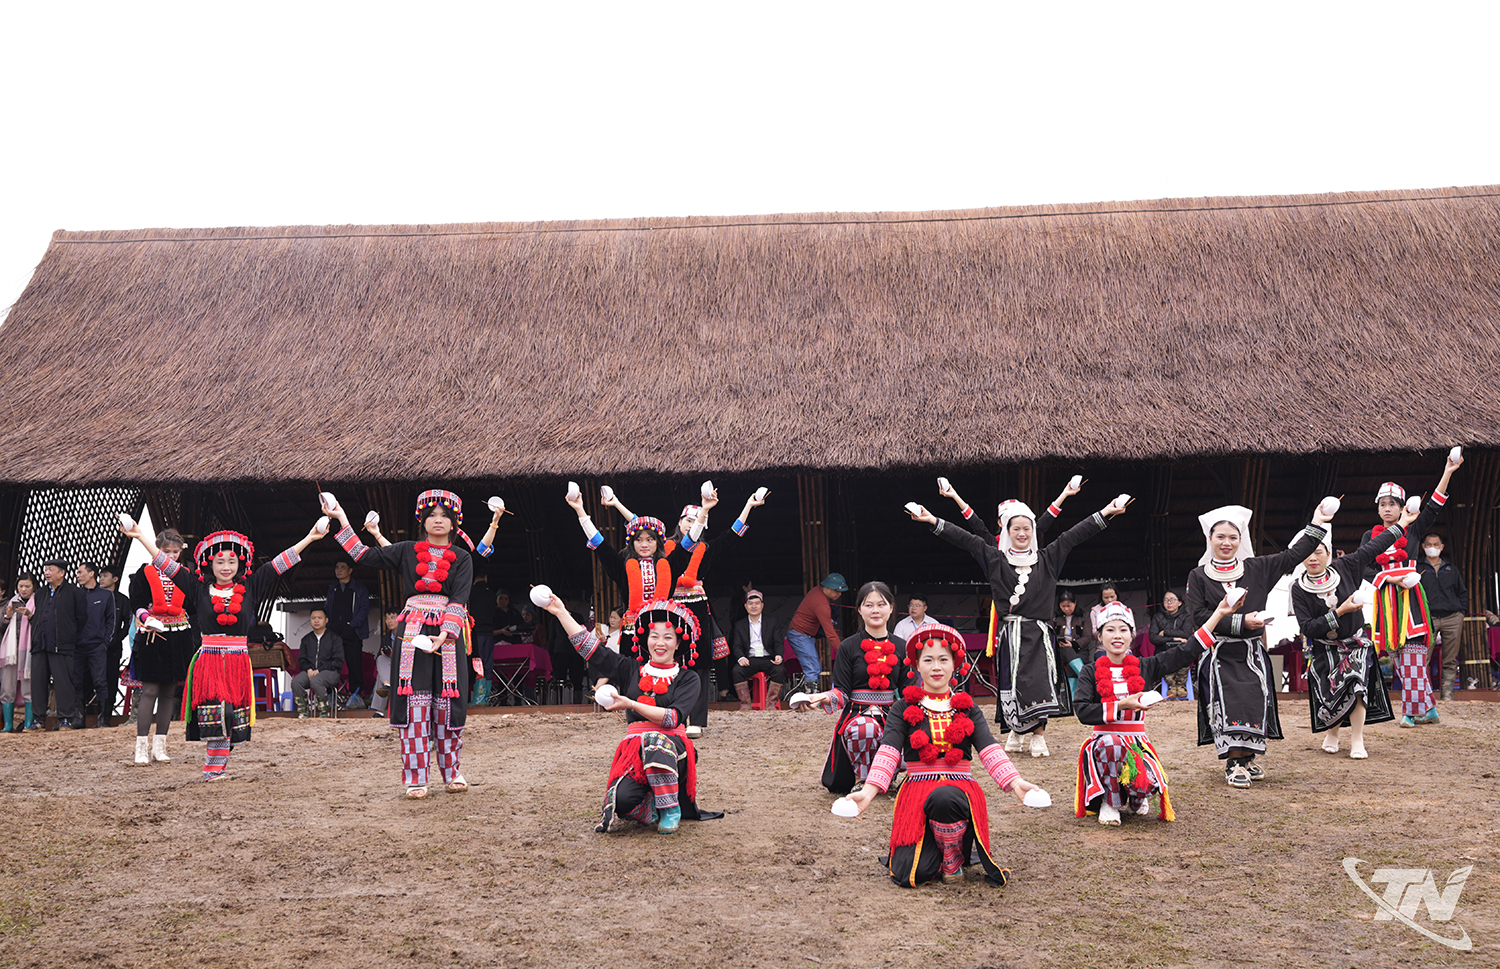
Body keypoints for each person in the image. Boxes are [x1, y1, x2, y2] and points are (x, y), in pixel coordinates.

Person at [910, 494, 1127, 757]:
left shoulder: (1047, 558)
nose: (1022, 533)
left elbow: (1075, 534)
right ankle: (1015, 730)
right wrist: (932, 519)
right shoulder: (995, 559)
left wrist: (1106, 510)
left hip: (1039, 635)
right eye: (1016, 528)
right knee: (1011, 685)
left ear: (1033, 531)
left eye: (1027, 528)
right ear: (1007, 531)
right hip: (1010, 633)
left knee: (1039, 683)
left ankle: (1038, 735)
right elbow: (967, 540)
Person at [121, 517, 322, 777]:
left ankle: (219, 762)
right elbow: (165, 564)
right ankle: (212, 768)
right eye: (220, 562)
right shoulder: (197, 588)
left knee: (235, 719)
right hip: (210, 663)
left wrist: (310, 537)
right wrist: (140, 536)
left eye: (231, 562)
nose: (226, 567)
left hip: (238, 663)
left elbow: (279, 564)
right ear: (210, 564)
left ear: (239, 564)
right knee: (218, 712)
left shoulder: (250, 586)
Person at [845, 624, 1041, 887]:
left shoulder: (969, 708)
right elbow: (889, 750)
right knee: (913, 874)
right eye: (928, 660)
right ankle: (939, 849)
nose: (936, 666)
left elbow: (988, 748)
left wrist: (1016, 783)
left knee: (944, 796)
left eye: (943, 659)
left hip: (957, 792)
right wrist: (869, 791)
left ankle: (952, 857)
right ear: (916, 665)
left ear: (954, 665)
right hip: (916, 792)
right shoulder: (902, 707)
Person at [330, 490, 473, 798]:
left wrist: (445, 635)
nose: (438, 520)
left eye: (444, 516)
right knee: (414, 703)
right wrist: (341, 517)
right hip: (413, 632)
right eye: (432, 516)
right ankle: (416, 778)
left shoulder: (462, 558)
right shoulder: (407, 550)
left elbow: (460, 598)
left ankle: (452, 772)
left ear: (454, 523)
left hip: (448, 634)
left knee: (447, 702)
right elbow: (361, 554)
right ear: (423, 521)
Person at [541, 593, 718, 834]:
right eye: (654, 636)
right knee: (621, 803)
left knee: (656, 741)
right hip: (636, 752)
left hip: (674, 751)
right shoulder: (630, 669)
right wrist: (561, 612)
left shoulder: (688, 678)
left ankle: (671, 808)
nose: (660, 643)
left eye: (668, 637)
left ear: (678, 643)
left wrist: (631, 705)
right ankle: (653, 803)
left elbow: (672, 718)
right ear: (646, 640)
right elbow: (591, 650)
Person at [1186, 501, 1334, 788]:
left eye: (1233, 537)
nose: (1226, 542)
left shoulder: (1258, 568)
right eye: (1220, 537)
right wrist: (1242, 622)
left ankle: (1247, 758)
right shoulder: (1199, 575)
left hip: (1252, 652)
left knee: (1255, 701)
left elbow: (1295, 554)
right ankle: (1233, 762)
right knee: (1232, 701)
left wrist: (1318, 522)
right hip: (1220, 653)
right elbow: (1199, 616)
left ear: (1241, 540)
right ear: (1210, 539)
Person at [607, 486, 768, 721]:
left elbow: (732, 536)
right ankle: (663, 711)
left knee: (700, 663)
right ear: (679, 522)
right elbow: (638, 524)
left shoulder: (706, 548)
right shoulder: (664, 549)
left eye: (696, 520)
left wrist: (748, 507)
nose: (690, 523)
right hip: (668, 607)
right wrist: (617, 503)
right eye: (687, 519)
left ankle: (698, 720)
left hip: (697, 608)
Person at [1072, 599, 1229, 825]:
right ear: (1099, 636)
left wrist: (1219, 613)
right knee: (1111, 744)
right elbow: (1083, 711)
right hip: (1104, 746)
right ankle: (1110, 801)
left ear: (1132, 635)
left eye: (1123, 630)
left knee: (1147, 786)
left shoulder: (1146, 665)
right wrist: (1122, 705)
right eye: (1110, 630)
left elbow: (1186, 651)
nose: (1117, 635)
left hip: (1136, 744)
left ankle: (1137, 796)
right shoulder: (1090, 671)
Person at [1292, 506, 1418, 757]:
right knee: (1332, 693)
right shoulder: (1299, 588)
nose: (1313, 558)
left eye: (1318, 552)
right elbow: (1307, 627)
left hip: (1355, 644)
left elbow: (1374, 546)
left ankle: (1358, 740)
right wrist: (1339, 612)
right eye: (1308, 553)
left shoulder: (1346, 567)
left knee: (1357, 686)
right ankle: (1333, 732)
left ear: (1328, 554)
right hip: (1323, 649)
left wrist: (1402, 524)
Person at [1358, 453, 1462, 725]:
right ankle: (1429, 709)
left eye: (1393, 504)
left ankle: (1409, 712)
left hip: (1411, 600)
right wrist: (1387, 579)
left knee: (1413, 654)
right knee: (1397, 657)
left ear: (1403, 508)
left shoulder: (1413, 531)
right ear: (1378, 509)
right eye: (1383, 504)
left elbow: (1435, 506)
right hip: (1385, 601)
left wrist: (1448, 472)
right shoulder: (1371, 536)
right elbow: (1363, 566)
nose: (1388, 508)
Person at [793, 581, 909, 794]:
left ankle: (890, 776)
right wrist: (817, 698)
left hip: (892, 714)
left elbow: (909, 692)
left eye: (881, 604)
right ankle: (862, 778)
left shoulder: (903, 647)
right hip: (857, 714)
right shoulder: (848, 646)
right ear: (859, 610)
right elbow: (841, 691)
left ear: (891, 608)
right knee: (866, 728)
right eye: (868, 605)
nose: (875, 610)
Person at [127, 527, 197, 765]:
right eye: (167, 551)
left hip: (179, 635)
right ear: (157, 549)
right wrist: (147, 618)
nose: (172, 556)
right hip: (152, 636)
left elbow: (195, 604)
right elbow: (135, 602)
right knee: (149, 691)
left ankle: (160, 745)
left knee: (169, 692)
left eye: (176, 552)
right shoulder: (144, 572)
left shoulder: (186, 574)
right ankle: (140, 747)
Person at [29, 559, 88, 731]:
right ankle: (38, 720)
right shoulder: (40, 593)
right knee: (38, 683)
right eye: (46, 569)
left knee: (64, 683)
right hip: (40, 644)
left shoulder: (74, 592)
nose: (47, 572)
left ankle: (65, 720)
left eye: (50, 569)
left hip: (62, 645)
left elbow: (81, 619)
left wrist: (68, 634)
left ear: (61, 573)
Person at [1417, 531, 1468, 703]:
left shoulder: (1451, 569)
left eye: (1436, 545)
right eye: (1429, 545)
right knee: (1423, 658)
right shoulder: (1417, 568)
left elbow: (1462, 592)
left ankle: (1447, 696)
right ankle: (1424, 696)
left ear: (1442, 547)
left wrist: (1461, 613)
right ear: (1423, 547)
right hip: (1426, 619)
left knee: (1450, 659)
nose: (1432, 548)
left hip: (1452, 618)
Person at [72, 561, 117, 726]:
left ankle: (103, 720)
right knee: (77, 681)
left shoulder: (106, 595)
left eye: (80, 572)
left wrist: (105, 642)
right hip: (77, 646)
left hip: (97, 646)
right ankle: (78, 719)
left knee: (100, 681)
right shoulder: (76, 594)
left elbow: (111, 620)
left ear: (91, 574)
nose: (77, 576)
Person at [787, 573, 847, 696]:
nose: (839, 594)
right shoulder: (822, 605)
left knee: (814, 667)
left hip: (803, 634)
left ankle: (812, 697)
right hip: (800, 635)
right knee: (812, 668)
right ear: (829, 588)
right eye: (837, 591)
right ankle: (811, 699)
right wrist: (843, 652)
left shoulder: (817, 590)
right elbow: (830, 634)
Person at [324, 560, 371, 709]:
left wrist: (353, 625)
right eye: (337, 567)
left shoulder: (359, 588)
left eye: (342, 568)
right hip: (334, 632)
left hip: (352, 632)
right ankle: (331, 696)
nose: (338, 570)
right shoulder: (333, 589)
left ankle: (357, 696)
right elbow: (327, 608)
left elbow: (364, 608)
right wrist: (328, 624)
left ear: (350, 570)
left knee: (354, 664)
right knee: (331, 664)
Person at [729, 589, 786, 710]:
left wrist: (779, 655)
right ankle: (745, 705)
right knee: (736, 671)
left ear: (762, 605)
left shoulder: (772, 622)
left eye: (757, 603)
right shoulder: (739, 625)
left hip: (768, 659)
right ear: (745, 606)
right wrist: (741, 658)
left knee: (780, 670)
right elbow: (736, 646)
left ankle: (771, 704)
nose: (753, 606)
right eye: (750, 603)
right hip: (750, 660)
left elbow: (778, 642)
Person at [99, 567, 133, 726]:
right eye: (100, 576)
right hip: (92, 647)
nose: (101, 579)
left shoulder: (122, 600)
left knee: (110, 681)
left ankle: (105, 717)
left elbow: (128, 623)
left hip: (112, 649)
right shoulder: (94, 596)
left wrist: (116, 639)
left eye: (105, 576)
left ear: (115, 579)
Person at [292, 608, 342, 718]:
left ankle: (324, 712)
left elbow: (338, 662)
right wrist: (309, 669)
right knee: (296, 681)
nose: (316, 620)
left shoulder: (335, 639)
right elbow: (302, 660)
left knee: (316, 680)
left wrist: (319, 670)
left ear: (326, 620)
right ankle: (303, 712)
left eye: (320, 618)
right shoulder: (306, 639)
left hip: (331, 673)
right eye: (313, 618)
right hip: (311, 672)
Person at [2, 575, 35, 733]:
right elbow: (2, 625)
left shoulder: (38, 602)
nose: (23, 589)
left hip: (29, 650)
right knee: (7, 686)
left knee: (29, 686)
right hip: (10, 651)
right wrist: (8, 616)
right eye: (21, 586)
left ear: (34, 587)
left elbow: (43, 623)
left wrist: (30, 615)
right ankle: (8, 725)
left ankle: (28, 724)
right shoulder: (11, 602)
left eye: (27, 586)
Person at [1147, 590, 1193, 698]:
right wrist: (1174, 638)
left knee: (1185, 656)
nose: (1169, 603)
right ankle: (1171, 686)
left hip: (1181, 651)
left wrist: (1165, 632)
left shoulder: (1186, 617)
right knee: (1165, 659)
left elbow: (1186, 633)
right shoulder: (1157, 617)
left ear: (1180, 603)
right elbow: (1153, 638)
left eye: (1172, 600)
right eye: (1166, 600)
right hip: (1163, 651)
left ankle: (1181, 685)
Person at [1051, 590, 1093, 697]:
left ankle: (1073, 699)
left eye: (1069, 605)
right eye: (1063, 606)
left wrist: (1073, 645)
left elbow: (1087, 637)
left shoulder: (1084, 616)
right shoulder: (1055, 617)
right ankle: (1086, 677)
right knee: (1066, 650)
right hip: (1060, 651)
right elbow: (1049, 634)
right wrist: (1057, 643)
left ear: (1075, 603)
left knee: (1070, 665)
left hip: (1080, 651)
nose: (1066, 609)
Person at [370, 610, 400, 718]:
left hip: (404, 666)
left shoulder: (406, 634)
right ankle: (387, 684)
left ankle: (380, 710)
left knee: (380, 677)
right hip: (389, 667)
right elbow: (378, 658)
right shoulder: (386, 638)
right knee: (381, 658)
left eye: (392, 617)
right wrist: (385, 653)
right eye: (387, 618)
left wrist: (394, 655)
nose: (389, 621)